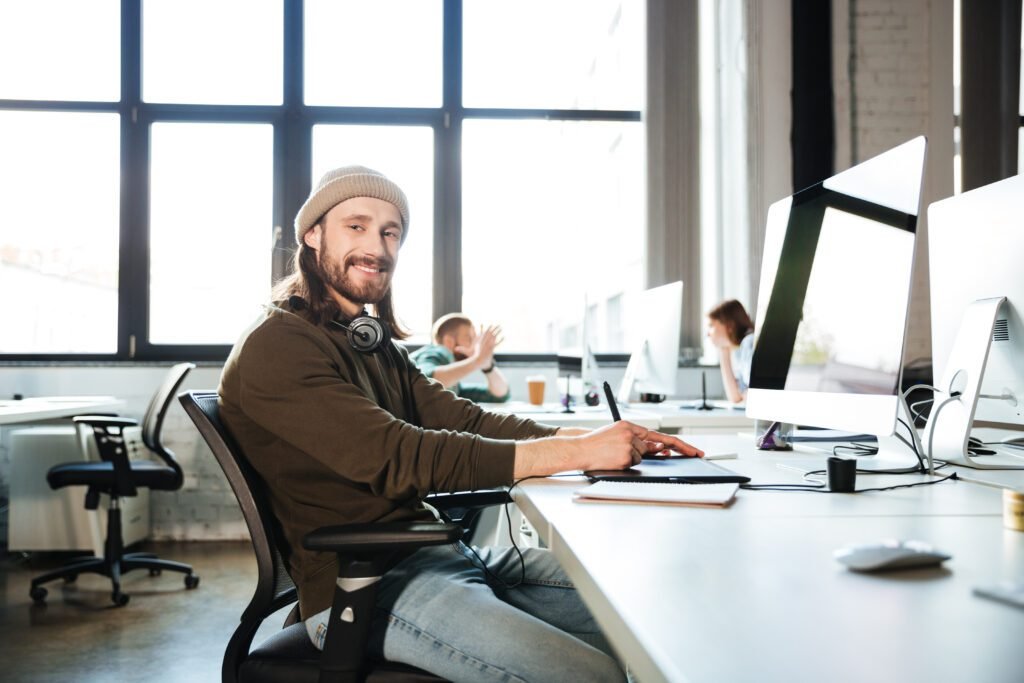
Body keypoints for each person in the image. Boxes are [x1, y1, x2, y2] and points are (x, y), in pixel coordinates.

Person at [218, 165, 703, 682]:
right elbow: (398, 456)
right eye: (355, 227)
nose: (377, 247)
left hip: (436, 555)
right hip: (364, 585)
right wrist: (579, 454)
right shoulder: (280, 344)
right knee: (590, 674)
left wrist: (592, 440)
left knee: (654, 603)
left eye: (390, 232)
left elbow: (463, 419)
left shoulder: (367, 338)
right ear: (313, 236)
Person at [410, 313, 510, 402]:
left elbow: (500, 395)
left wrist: (487, 366)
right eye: (469, 339)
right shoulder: (439, 351)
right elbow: (424, 380)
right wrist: (477, 360)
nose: (474, 346)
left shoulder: (452, 386)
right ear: (449, 341)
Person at [707, 299, 755, 404]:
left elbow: (753, 397)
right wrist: (723, 350)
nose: (708, 333)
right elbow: (735, 397)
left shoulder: (749, 343)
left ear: (729, 326)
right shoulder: (739, 350)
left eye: (711, 326)